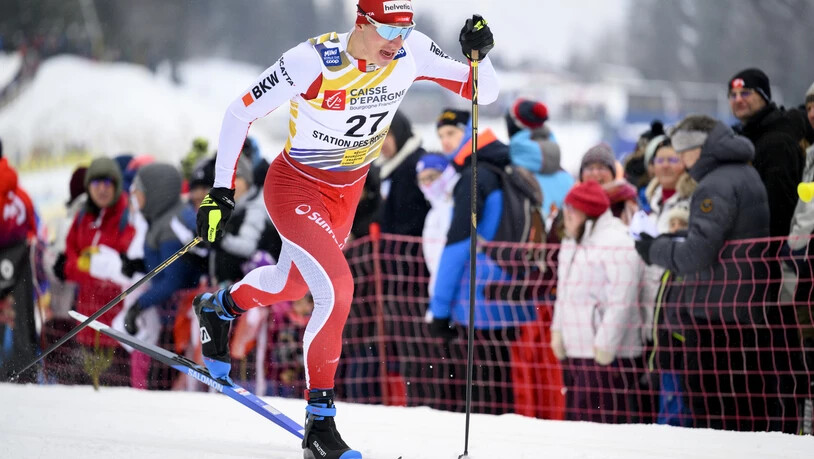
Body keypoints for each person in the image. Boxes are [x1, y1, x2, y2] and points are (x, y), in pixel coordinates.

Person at [192, 1, 498, 456]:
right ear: (362, 22)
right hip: (296, 187)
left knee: (290, 283)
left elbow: (482, 93)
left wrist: (481, 56)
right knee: (337, 289)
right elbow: (240, 112)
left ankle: (219, 308)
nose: (395, 45)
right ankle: (320, 422)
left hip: (345, 197)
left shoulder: (411, 50)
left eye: (404, 32)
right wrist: (220, 190)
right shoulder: (312, 61)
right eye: (387, 33)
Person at [633, 115, 782, 431]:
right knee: (741, 406)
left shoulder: (715, 185)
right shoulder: (744, 173)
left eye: (683, 153)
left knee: (711, 409)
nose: (682, 162)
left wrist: (652, 249)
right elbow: (720, 240)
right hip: (741, 305)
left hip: (715, 313)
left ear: (697, 150)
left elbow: (696, 255)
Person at [550, 181, 644, 423]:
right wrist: (558, 331)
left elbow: (622, 300)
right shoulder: (572, 240)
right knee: (577, 422)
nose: (566, 215)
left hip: (608, 356)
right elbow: (563, 292)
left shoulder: (618, 242)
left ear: (588, 213)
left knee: (605, 427)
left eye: (572, 209)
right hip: (576, 350)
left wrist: (606, 346)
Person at [61, 157, 136, 385]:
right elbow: (69, 263)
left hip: (115, 327)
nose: (102, 189)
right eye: (96, 184)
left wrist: (89, 265)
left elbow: (124, 268)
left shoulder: (127, 215)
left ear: (116, 185)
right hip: (86, 320)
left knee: (115, 391)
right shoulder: (83, 215)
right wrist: (92, 267)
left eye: (107, 183)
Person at [728, 68, 804, 237]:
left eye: (746, 93)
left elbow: (779, 206)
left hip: (767, 249)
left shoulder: (776, 141)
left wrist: (769, 247)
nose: (738, 100)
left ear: (764, 97)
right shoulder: (744, 138)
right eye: (733, 95)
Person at [0, 153, 39, 381]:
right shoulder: (20, 194)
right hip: (19, 265)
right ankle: (24, 374)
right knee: (21, 323)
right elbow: (34, 230)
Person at [375, 110, 430, 237]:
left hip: (411, 251)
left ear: (400, 133)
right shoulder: (387, 168)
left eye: (388, 135)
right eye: (378, 137)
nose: (382, 143)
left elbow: (411, 220)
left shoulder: (416, 165)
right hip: (394, 250)